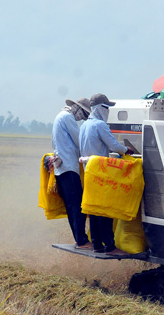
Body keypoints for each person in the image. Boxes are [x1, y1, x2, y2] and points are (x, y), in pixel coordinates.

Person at [79, 93, 133, 256]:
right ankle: (110, 246)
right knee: (106, 210)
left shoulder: (84, 126)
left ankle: (97, 245)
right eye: (106, 107)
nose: (108, 111)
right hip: (101, 173)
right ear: (99, 108)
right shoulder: (99, 125)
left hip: (89, 171)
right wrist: (126, 150)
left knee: (94, 210)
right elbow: (113, 145)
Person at [51, 97, 92, 249]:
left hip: (62, 167)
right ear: (77, 108)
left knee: (71, 205)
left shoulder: (60, 116)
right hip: (68, 166)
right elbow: (80, 140)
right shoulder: (68, 118)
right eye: (83, 114)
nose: (82, 118)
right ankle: (81, 240)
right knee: (77, 205)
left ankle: (79, 238)